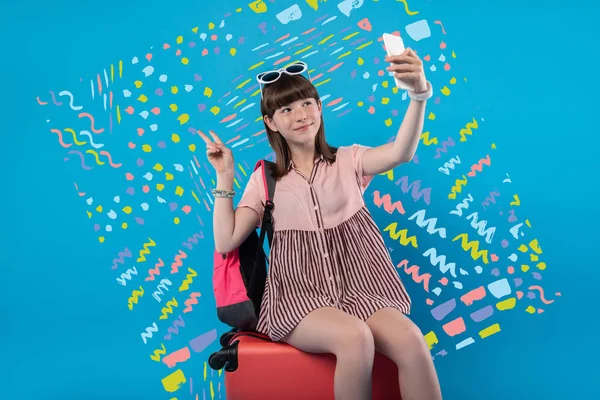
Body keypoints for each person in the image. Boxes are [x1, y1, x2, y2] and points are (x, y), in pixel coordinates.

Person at [199, 48, 442, 400]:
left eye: (307, 103)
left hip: (363, 291)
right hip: (299, 300)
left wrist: (419, 94)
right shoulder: (266, 180)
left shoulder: (349, 161)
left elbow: (400, 152)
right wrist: (225, 176)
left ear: (319, 107)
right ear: (271, 122)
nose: (300, 115)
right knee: (354, 337)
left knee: (412, 340)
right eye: (286, 109)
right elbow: (226, 240)